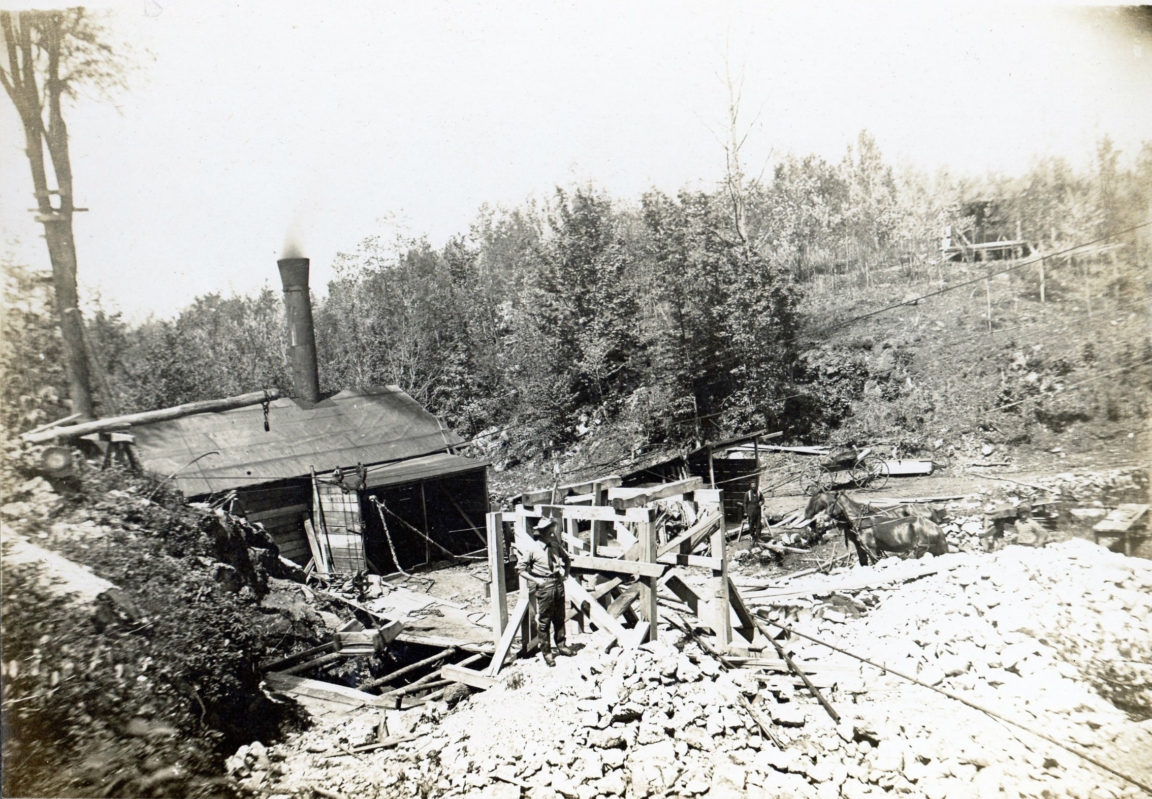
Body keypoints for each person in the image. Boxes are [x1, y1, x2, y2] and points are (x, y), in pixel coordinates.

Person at [517, 516, 574, 666]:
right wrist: (537, 581)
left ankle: (561, 646)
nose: (552, 532)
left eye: (552, 528)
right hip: (544, 586)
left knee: (560, 618)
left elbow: (567, 559)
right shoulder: (532, 549)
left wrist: (566, 573)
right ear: (541, 532)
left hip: (558, 583)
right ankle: (547, 653)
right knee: (544, 622)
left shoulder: (555, 545)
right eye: (548, 530)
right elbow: (520, 569)